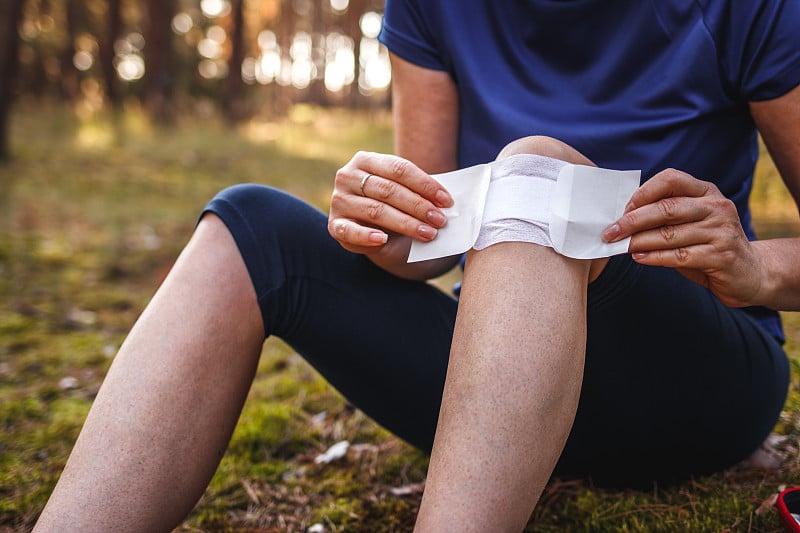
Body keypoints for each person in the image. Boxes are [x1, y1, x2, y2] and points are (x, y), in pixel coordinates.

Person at [35, 1, 800, 531]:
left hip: (693, 375)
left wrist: (754, 268)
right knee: (250, 223)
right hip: (496, 377)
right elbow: (423, 245)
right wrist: (378, 223)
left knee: (535, 168)